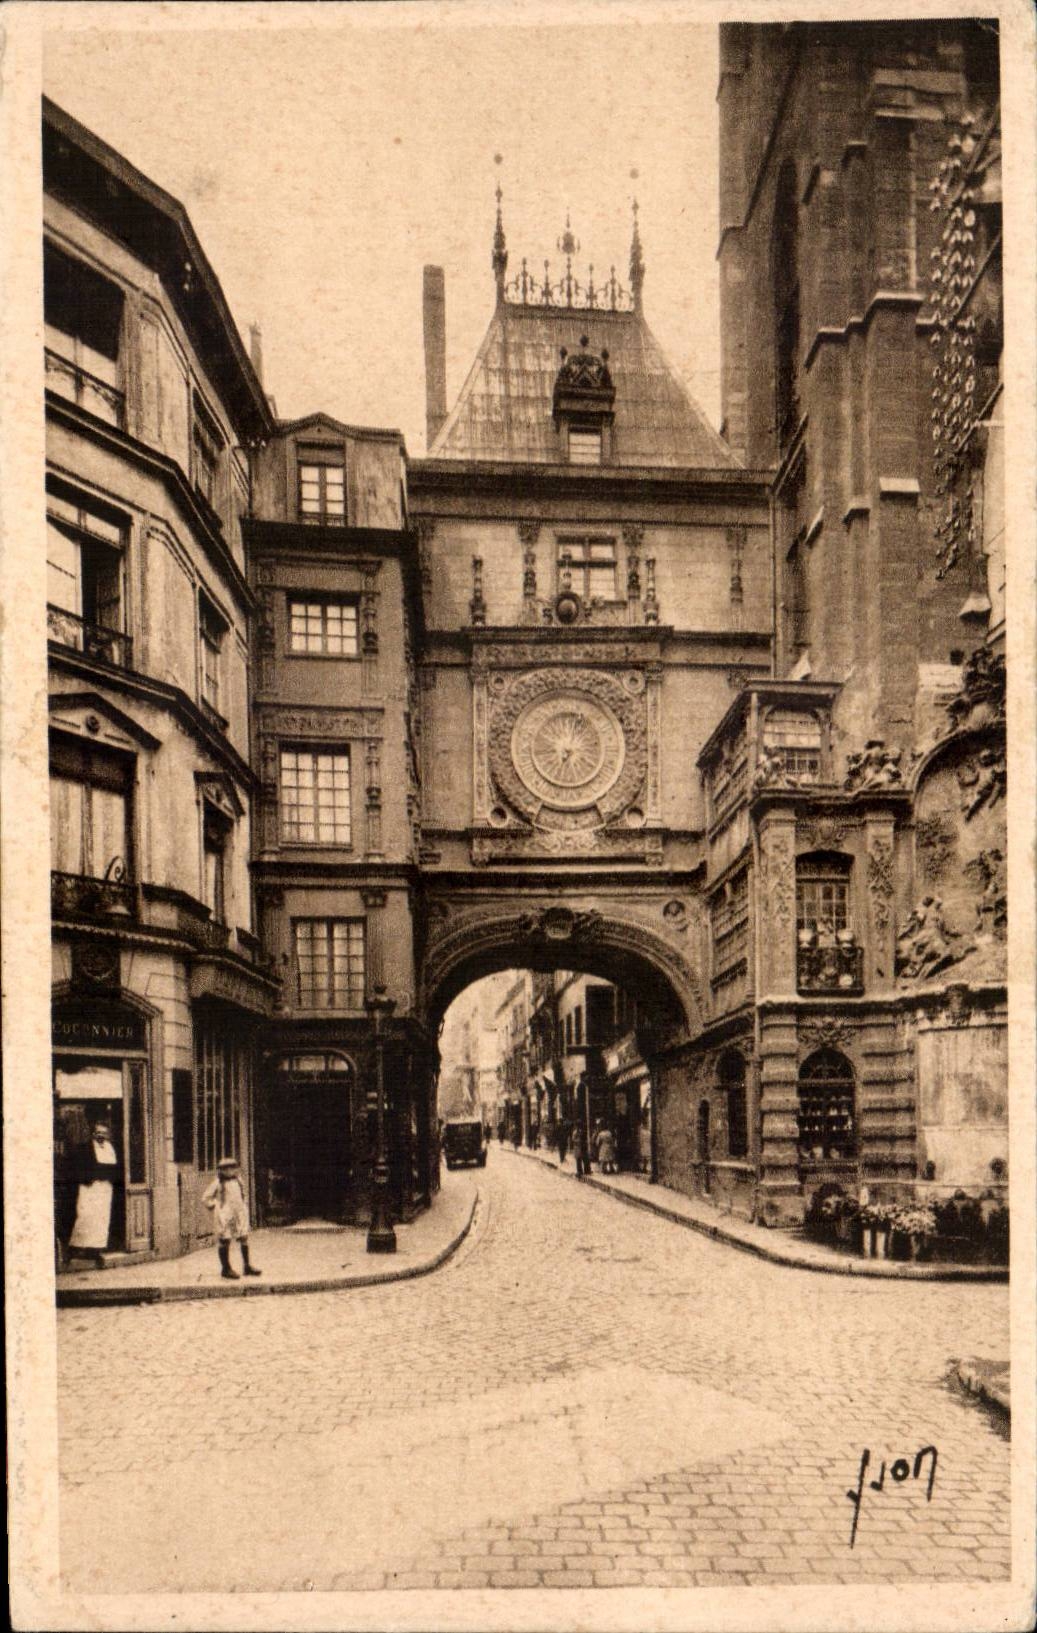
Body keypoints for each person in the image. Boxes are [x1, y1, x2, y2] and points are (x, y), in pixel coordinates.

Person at [69, 1118, 120, 1267]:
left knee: (101, 1219)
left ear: (108, 1134)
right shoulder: (85, 1148)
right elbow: (79, 1167)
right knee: (86, 1216)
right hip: (90, 1188)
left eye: (104, 1133)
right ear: (93, 1133)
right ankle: (77, 1248)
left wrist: (108, 1175)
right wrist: (92, 1175)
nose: (101, 1135)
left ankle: (96, 1250)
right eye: (98, 1132)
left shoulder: (110, 1148)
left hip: (105, 1189)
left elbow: (116, 1168)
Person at [203, 1156, 261, 1280]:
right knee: (225, 1239)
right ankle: (226, 1268)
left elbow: (243, 1194)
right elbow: (206, 1198)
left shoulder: (239, 1181)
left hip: (238, 1213)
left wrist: (243, 1207)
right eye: (226, 1169)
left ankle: (247, 1266)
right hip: (225, 1214)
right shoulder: (218, 1183)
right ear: (221, 1170)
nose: (230, 1171)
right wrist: (216, 1206)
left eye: (232, 1168)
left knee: (243, 1237)